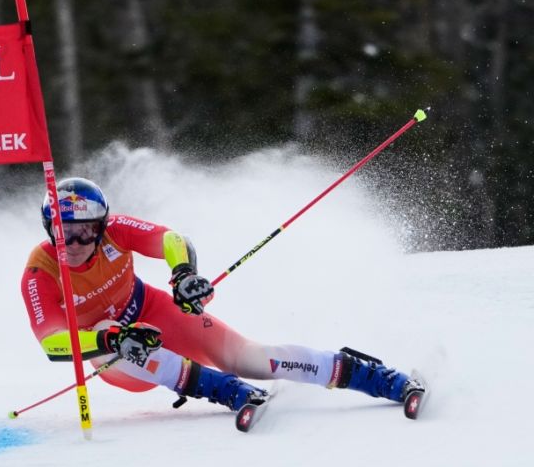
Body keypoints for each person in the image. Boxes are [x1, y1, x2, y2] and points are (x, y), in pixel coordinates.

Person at [21, 177, 423, 413]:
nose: (72, 242)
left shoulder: (115, 231)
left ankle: (364, 374)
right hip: (109, 352)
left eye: (84, 231)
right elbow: (54, 345)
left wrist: (182, 276)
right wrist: (108, 338)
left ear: (101, 227)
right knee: (117, 338)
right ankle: (222, 390)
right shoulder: (41, 272)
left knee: (247, 357)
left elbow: (170, 239)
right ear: (48, 230)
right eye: (62, 232)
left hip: (150, 309)